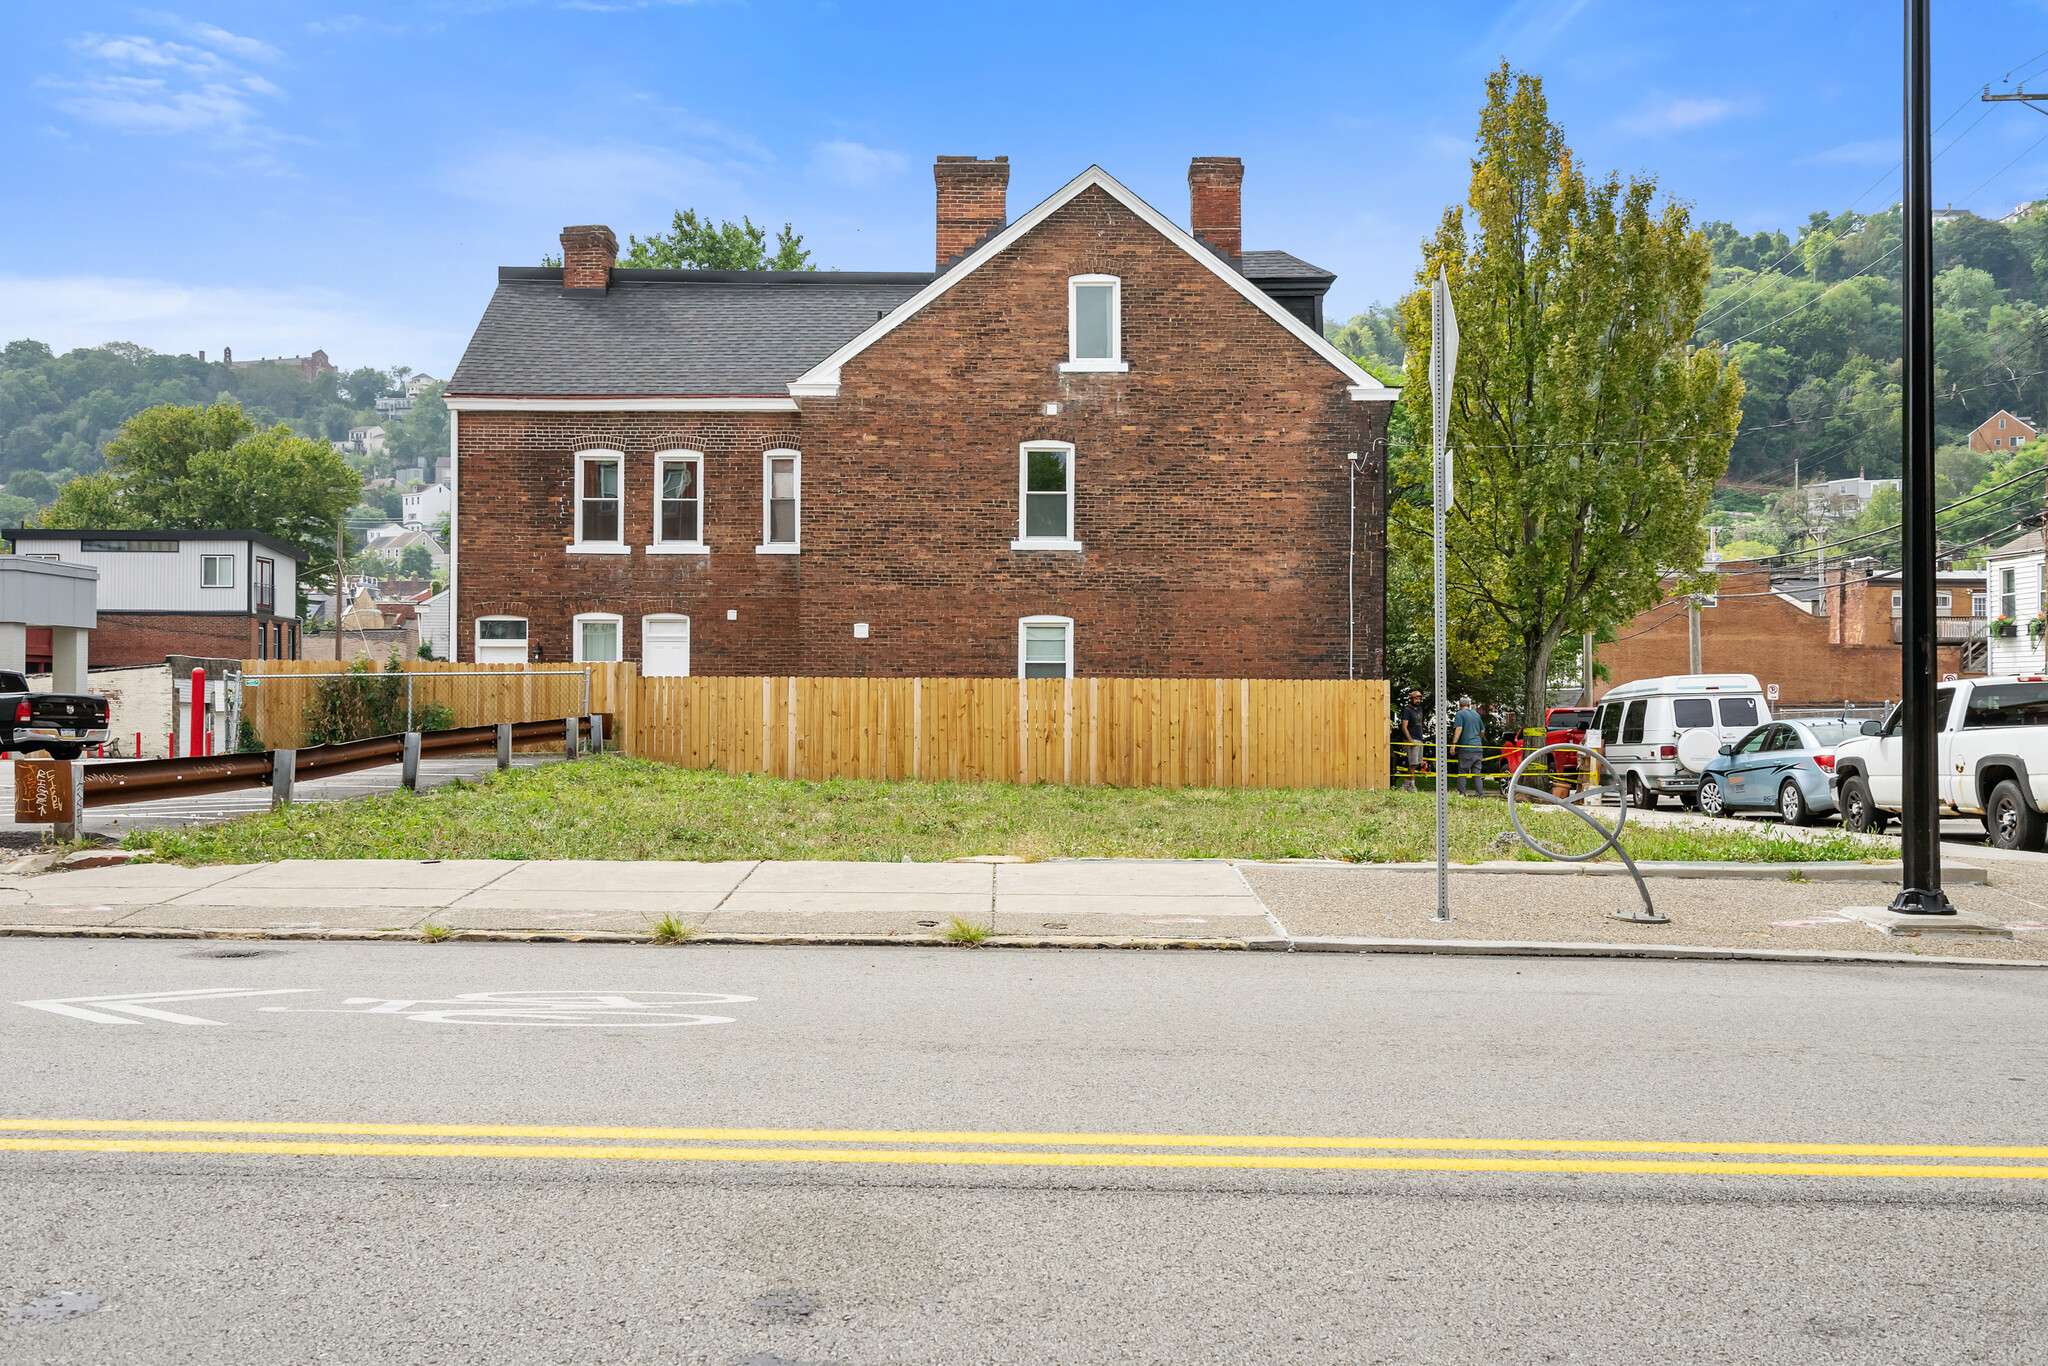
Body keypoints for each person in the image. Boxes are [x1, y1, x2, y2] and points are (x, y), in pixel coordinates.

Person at [1452, 695, 1485, 796]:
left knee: (1462, 772)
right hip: (1478, 748)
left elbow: (1459, 729)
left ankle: (1462, 794)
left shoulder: (1460, 714)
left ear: (1459, 706)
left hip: (1466, 749)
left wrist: (1454, 744)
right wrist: (1478, 739)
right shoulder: (1476, 715)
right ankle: (1479, 795)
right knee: (1477, 774)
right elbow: (1482, 731)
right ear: (1469, 706)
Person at [1396, 689, 1427, 791]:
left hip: (1419, 738)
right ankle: (1412, 786)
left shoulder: (1420, 710)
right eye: (1416, 698)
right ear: (1411, 699)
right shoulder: (1407, 710)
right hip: (1411, 738)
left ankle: (1406, 785)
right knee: (1412, 763)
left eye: (1419, 698)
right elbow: (1404, 727)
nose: (1418, 700)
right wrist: (1410, 740)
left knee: (1417, 763)